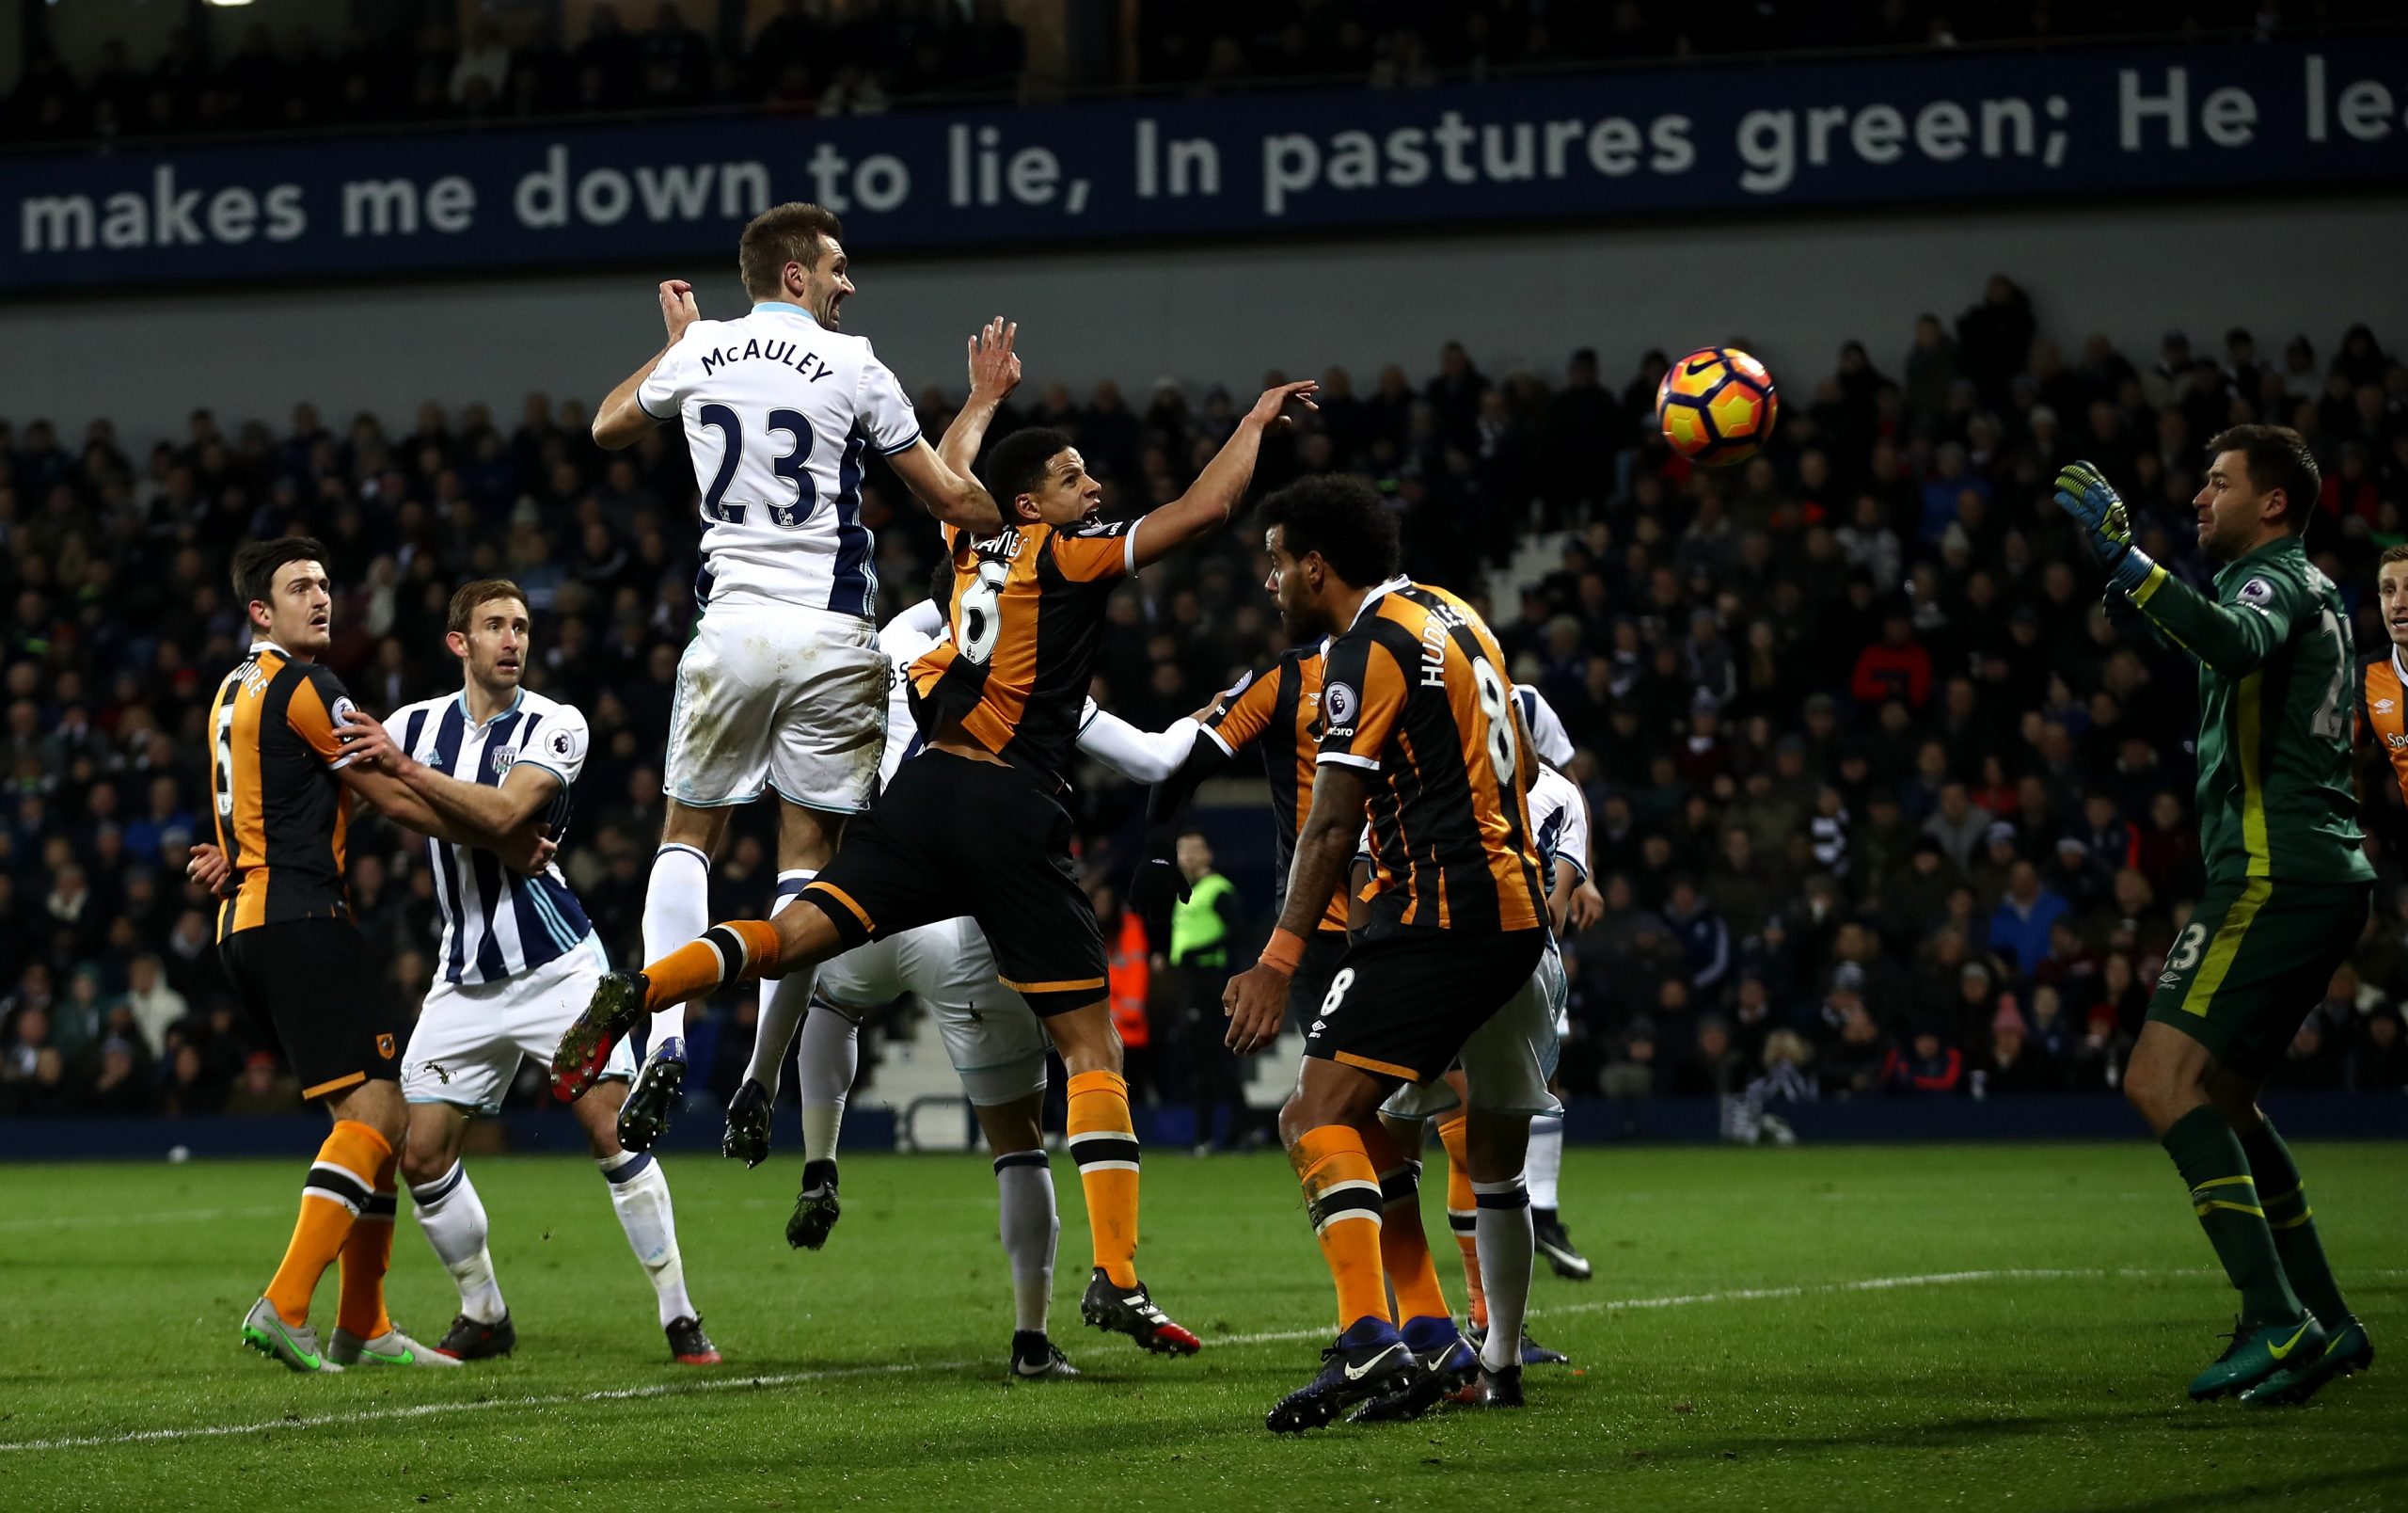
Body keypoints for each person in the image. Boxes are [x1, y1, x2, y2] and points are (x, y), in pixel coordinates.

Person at [552, 317, 1317, 1357]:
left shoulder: (964, 546)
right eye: (1072, 476)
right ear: (1033, 505)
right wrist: (1256, 420)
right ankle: (1119, 1275)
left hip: (919, 799)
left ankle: (643, 994)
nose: (1092, 487)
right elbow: (1210, 507)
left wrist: (984, 399)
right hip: (1010, 811)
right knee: (1088, 1047)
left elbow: (949, 474)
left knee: (800, 932)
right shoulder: (1073, 559)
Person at [203, 581, 717, 1365]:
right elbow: (343, 801)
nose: (513, 640)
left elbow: (509, 815)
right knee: (417, 1151)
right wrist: (248, 853)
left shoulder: (556, 724)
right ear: (459, 644)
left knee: (610, 1128)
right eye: (494, 627)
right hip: (463, 977)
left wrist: (406, 769)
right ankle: (484, 1313)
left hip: (558, 968)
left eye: (521, 627)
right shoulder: (416, 724)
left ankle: (681, 1316)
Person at [576, 202, 1000, 1150]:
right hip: (830, 636)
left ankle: (664, 1043)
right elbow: (947, 499)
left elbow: (606, 426)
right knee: (805, 864)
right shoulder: (855, 364)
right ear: (795, 276)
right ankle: (760, 1076)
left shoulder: (703, 351)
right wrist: (1008, 490)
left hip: (730, 631)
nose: (850, 282)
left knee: (687, 835)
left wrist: (679, 346)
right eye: (838, 267)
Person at [732, 555, 1203, 1380]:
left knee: (827, 993)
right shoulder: (1048, 680)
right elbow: (1158, 762)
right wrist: (1221, 716)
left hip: (878, 896)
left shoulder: (899, 649)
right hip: (971, 927)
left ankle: (815, 1157)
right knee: (1019, 1142)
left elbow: (906, 627)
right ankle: (1029, 1339)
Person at [1218, 475, 1554, 1430]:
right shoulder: (1454, 614)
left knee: (1311, 1116)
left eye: (1278, 561)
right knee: (1428, 1141)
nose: (1272, 578)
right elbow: (1514, 765)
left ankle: (1369, 1345)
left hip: (1437, 919)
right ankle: (1455, 1345)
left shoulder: (1363, 649)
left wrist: (1280, 957)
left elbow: (1328, 825)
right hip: (1509, 911)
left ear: (1315, 566)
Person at [2057, 427, 2376, 1405]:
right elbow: (2242, 659)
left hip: (2272, 873)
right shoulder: (2299, 588)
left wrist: (2128, 560)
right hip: (2319, 870)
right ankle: (2324, 1318)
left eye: (2218, 481)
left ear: (2273, 503)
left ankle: (2275, 1317)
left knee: (2158, 1079)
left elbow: (2239, 641)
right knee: (2227, 1096)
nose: (2198, 496)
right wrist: (2156, 609)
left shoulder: (2272, 581)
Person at [207, 538, 550, 1374]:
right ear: (262, 612)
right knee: (379, 1118)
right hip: (300, 919)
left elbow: (267, 794)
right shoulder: (307, 686)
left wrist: (234, 852)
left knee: (372, 1119)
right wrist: (498, 833)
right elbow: (390, 793)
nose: (322, 599)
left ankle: (363, 1323)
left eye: (326, 584)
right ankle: (288, 1305)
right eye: (300, 589)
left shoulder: (230, 690)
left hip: (245, 922)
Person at [1168, 830, 1249, 1154]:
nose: (1186, 857)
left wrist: (1198, 952)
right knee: (1203, 1061)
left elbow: (1237, 932)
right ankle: (1219, 1133)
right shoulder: (1186, 893)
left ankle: (1227, 1132)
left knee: (1215, 1062)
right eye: (1181, 852)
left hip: (1210, 982)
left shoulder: (1218, 890)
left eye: (1193, 851)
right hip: (1190, 982)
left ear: (1207, 855)